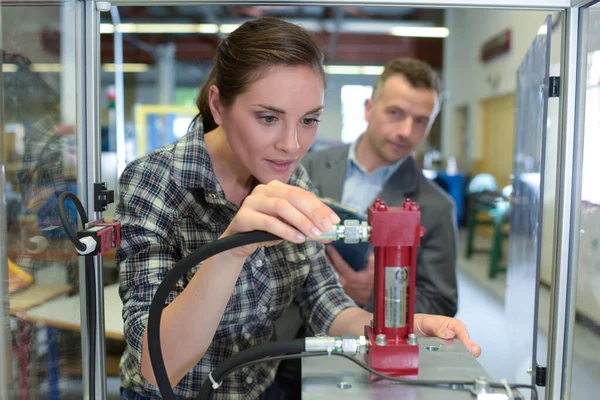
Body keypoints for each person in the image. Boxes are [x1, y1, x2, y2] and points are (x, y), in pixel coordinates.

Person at [115, 18, 480, 400]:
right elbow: (156, 367)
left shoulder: (292, 178)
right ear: (219, 105)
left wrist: (399, 328)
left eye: (308, 120)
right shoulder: (155, 180)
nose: (291, 145)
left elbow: (325, 302)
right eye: (269, 118)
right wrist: (231, 250)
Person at [301, 57, 458, 317]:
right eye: (395, 113)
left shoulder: (436, 207)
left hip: (362, 346)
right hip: (284, 343)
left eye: (421, 121)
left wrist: (376, 296)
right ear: (369, 108)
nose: (406, 132)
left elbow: (440, 305)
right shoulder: (306, 168)